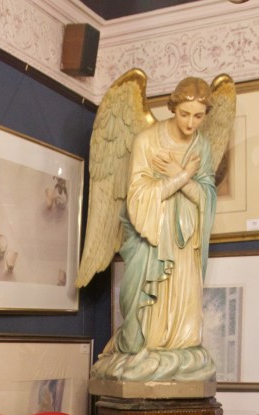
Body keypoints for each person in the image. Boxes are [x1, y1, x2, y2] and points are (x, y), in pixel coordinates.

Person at [92, 76, 218, 384]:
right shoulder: (147, 141)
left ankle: (179, 346)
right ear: (173, 107)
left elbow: (206, 199)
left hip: (185, 242)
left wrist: (180, 175)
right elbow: (138, 196)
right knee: (145, 319)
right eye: (184, 114)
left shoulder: (202, 146)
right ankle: (143, 346)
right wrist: (181, 178)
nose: (190, 123)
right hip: (152, 237)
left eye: (198, 116)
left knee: (185, 328)